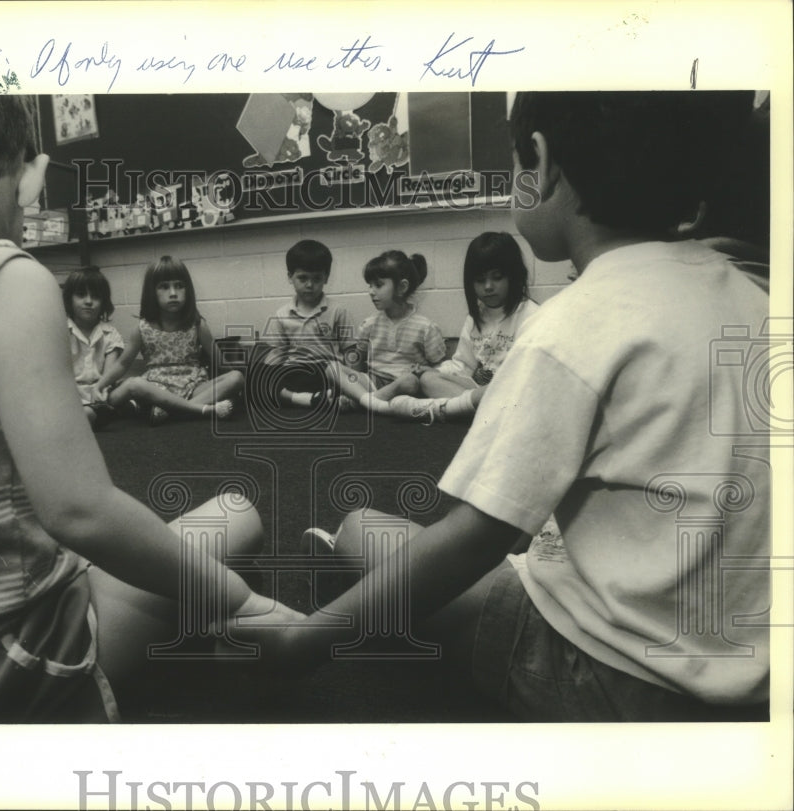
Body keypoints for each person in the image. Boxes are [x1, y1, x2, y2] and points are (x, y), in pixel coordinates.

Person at [240, 91, 771, 722]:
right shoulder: (756, 292)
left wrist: (305, 643)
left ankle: (345, 594)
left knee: (362, 529)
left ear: (540, 163)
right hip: (758, 674)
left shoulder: (572, 323)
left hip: (613, 681)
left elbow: (474, 540)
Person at [0, 96, 294, 723]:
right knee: (236, 514)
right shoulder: (6, 277)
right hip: (1, 669)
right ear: (33, 177)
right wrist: (236, 600)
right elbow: (79, 510)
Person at [391, 232, 540, 424]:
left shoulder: (532, 315)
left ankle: (454, 410)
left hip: (511, 393)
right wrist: (432, 370)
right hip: (478, 393)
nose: (488, 287)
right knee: (428, 379)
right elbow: (463, 366)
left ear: (513, 276)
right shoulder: (476, 317)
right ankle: (480, 413)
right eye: (479, 280)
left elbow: (529, 377)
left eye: (497, 277)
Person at [93, 255, 244, 426]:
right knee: (133, 384)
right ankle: (194, 410)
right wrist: (99, 386)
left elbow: (222, 364)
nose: (173, 293)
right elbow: (122, 364)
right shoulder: (142, 328)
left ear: (188, 290)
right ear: (152, 292)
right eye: (164, 287)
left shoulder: (198, 325)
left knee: (236, 377)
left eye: (179, 286)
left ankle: (175, 413)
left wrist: (235, 384)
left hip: (194, 388)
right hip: (157, 390)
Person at [326, 250, 447, 415]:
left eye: (378, 285)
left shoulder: (425, 327)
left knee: (410, 382)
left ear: (402, 287)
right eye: (370, 285)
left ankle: (362, 401)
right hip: (373, 381)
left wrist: (424, 370)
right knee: (331, 368)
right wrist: (352, 378)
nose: (370, 291)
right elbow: (358, 364)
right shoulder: (369, 324)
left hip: (404, 385)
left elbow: (439, 367)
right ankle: (373, 402)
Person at [259, 239, 354, 408]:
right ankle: (311, 399)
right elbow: (277, 355)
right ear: (290, 277)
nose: (310, 285)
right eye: (303, 278)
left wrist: (354, 379)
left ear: (326, 278)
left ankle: (310, 398)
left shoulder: (338, 311)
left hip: (326, 372)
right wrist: (264, 376)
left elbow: (350, 351)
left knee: (339, 376)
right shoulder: (281, 315)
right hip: (295, 372)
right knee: (256, 377)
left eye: (316, 278)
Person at [63, 266, 125, 428]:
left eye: (96, 296)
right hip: (71, 394)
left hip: (101, 392)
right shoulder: (61, 333)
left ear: (104, 302)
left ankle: (96, 414)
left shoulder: (110, 334)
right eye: (81, 295)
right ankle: (92, 417)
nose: (89, 301)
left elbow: (109, 376)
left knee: (130, 386)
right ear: (69, 299)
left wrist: (102, 392)